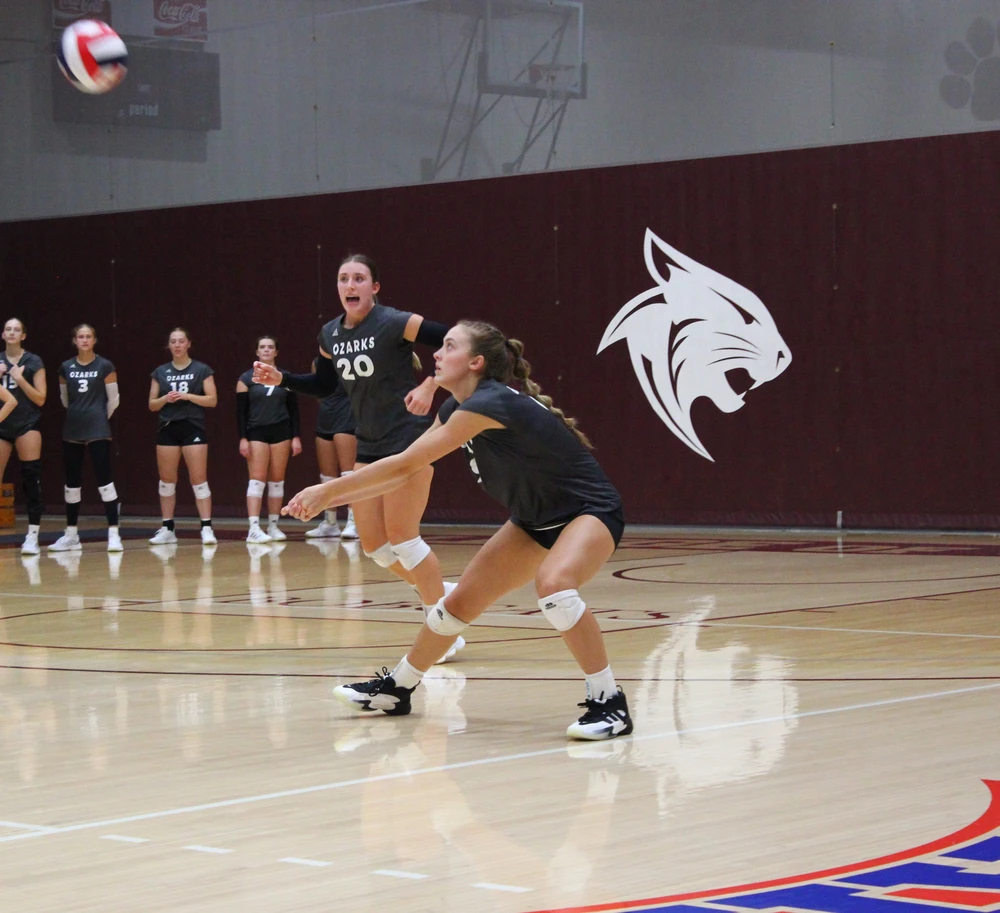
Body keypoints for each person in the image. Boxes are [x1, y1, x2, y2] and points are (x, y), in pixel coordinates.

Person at [283, 320, 632, 741]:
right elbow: (405, 468)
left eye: (448, 346)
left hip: (590, 511)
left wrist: (327, 491)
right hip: (533, 521)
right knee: (454, 607)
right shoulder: (455, 409)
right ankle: (398, 689)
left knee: (555, 586)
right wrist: (330, 498)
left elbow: (403, 466)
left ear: (475, 362)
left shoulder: (489, 403)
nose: (436, 354)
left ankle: (609, 702)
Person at [253, 253, 462, 661]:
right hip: (368, 443)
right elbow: (325, 384)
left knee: (403, 537)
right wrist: (284, 380)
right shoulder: (330, 333)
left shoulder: (396, 321)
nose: (350, 285)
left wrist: (431, 385)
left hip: (408, 440)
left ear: (374, 287)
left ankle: (445, 631)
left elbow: (455, 341)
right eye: (344, 278)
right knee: (376, 548)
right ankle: (437, 588)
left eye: (359, 278)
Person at [48, 324, 123, 553]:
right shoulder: (65, 367)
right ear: (74, 340)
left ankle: (113, 533)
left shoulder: (105, 365)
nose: (84, 340)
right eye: (80, 336)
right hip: (72, 430)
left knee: (105, 481)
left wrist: (98, 418)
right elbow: (64, 400)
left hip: (98, 430)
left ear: (94, 340)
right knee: (72, 484)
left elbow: (114, 400)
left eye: (88, 336)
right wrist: (79, 415)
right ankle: (71, 534)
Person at [147, 327, 218, 546]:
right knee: (167, 481)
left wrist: (187, 396)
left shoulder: (201, 369)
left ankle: (206, 527)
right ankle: (167, 527)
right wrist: (165, 399)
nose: (177, 345)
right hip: (168, 427)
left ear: (188, 343)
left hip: (192, 427)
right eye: (173, 342)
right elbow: (152, 404)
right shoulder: (160, 372)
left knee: (198, 479)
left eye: (181, 341)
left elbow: (212, 400)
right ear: (168, 346)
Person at [236, 335, 302, 543]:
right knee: (257, 479)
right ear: (257, 352)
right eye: (262, 347)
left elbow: (294, 410)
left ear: (276, 352)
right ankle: (254, 527)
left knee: (277, 480)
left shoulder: (285, 377)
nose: (266, 350)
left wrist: (295, 437)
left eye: (270, 347)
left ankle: (273, 525)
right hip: (256, 432)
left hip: (281, 432)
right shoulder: (246, 379)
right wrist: (243, 438)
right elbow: (241, 412)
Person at [0, 318, 47, 555]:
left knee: (31, 477)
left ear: (23, 336)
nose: (11, 332)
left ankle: (33, 534)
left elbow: (40, 398)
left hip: (27, 423)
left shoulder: (33, 361)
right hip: (1, 424)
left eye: (16, 329)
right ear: (3, 334)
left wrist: (20, 379)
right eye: (8, 329)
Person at [305, 356, 359, 540]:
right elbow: (318, 389)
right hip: (326, 416)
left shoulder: (351, 357)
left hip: (347, 414)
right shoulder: (317, 362)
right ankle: (330, 522)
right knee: (327, 475)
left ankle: (354, 521)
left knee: (348, 473)